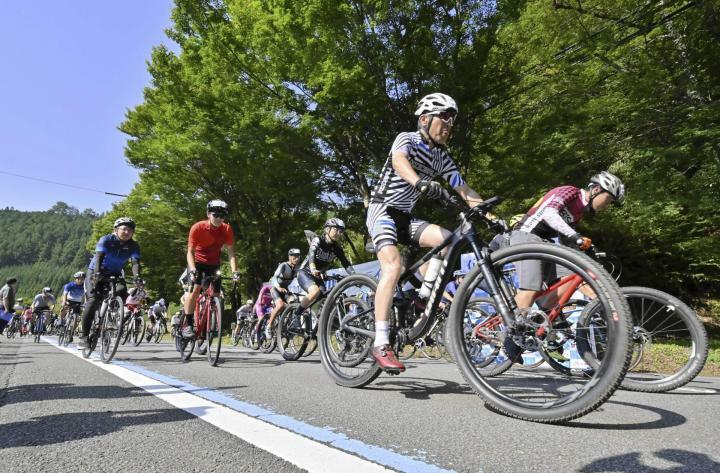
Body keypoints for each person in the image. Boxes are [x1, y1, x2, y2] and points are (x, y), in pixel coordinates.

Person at [365, 93, 499, 372]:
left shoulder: (442, 157)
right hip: (383, 210)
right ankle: (380, 342)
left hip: (407, 218)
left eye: (453, 120)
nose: (449, 124)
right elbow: (399, 161)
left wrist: (492, 217)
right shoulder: (407, 138)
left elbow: (464, 190)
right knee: (393, 266)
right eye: (445, 117)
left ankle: (425, 295)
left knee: (451, 239)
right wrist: (419, 182)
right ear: (424, 119)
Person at [499, 171, 626, 363]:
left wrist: (588, 253)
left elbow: (566, 241)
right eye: (608, 199)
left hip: (546, 245)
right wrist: (577, 237)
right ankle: (510, 338)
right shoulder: (570, 192)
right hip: (526, 236)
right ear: (597, 190)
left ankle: (545, 313)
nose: (607, 206)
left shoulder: (579, 212)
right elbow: (550, 213)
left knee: (575, 275)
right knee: (531, 287)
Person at [78, 217, 141, 349]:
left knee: (122, 292)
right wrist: (97, 274)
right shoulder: (106, 240)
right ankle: (83, 337)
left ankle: (110, 317)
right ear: (115, 230)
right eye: (124, 229)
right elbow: (99, 257)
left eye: (130, 230)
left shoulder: (133, 245)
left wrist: (137, 277)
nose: (127, 232)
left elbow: (135, 262)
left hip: (116, 273)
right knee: (93, 300)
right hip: (97, 271)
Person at [181, 200, 240, 338]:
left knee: (216, 296)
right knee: (195, 290)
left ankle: (208, 323)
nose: (219, 218)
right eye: (215, 215)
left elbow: (231, 252)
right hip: (197, 263)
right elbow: (190, 251)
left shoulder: (226, 229)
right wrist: (193, 269)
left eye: (222, 215)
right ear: (208, 214)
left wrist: (235, 272)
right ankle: (188, 325)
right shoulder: (198, 227)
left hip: (214, 265)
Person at [289, 218, 355, 334]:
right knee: (314, 292)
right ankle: (296, 316)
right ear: (327, 229)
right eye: (336, 230)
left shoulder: (336, 248)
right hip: (305, 273)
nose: (338, 233)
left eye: (341, 231)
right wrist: (313, 268)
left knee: (327, 299)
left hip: (318, 276)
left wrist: (355, 276)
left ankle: (318, 329)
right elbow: (311, 255)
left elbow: (346, 263)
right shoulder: (317, 240)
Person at [264, 248, 301, 338]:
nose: (297, 259)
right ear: (289, 257)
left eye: (298, 256)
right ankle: (268, 326)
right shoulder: (284, 265)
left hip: (286, 291)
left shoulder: (298, 268)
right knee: (280, 305)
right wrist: (278, 287)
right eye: (294, 256)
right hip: (276, 288)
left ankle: (291, 324)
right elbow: (274, 278)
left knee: (295, 303)